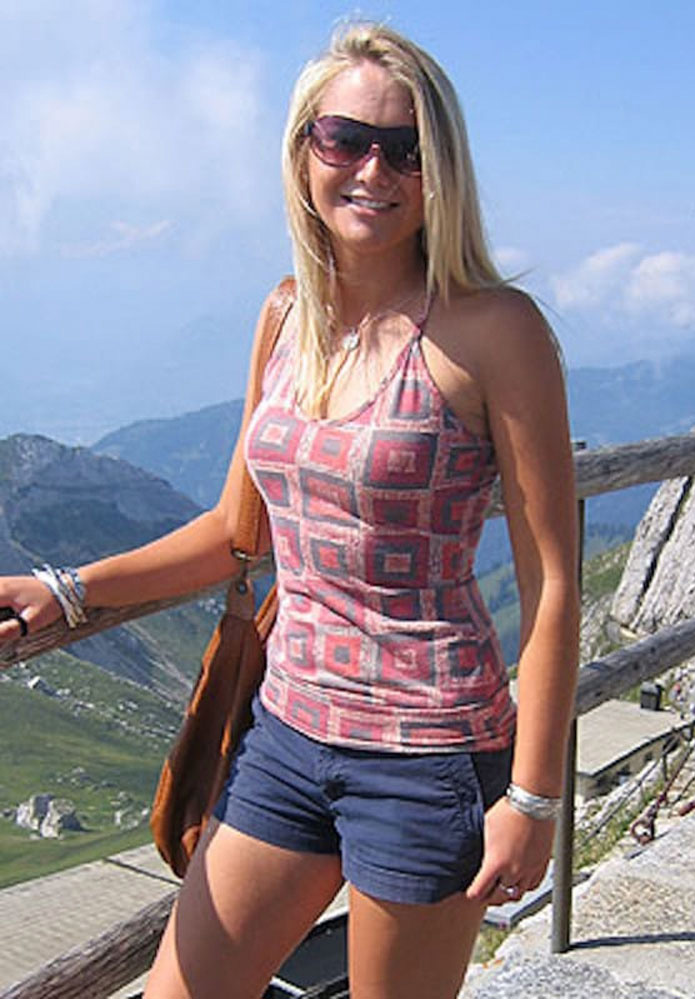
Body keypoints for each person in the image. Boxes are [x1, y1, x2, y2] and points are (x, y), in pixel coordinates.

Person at [0, 21, 579, 999]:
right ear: (304, 150)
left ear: (441, 170)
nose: (373, 170)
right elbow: (237, 534)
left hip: (428, 755)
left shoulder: (495, 330)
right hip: (286, 733)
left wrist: (533, 796)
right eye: (345, 138)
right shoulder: (286, 316)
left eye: (406, 149)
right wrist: (69, 588)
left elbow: (553, 582)